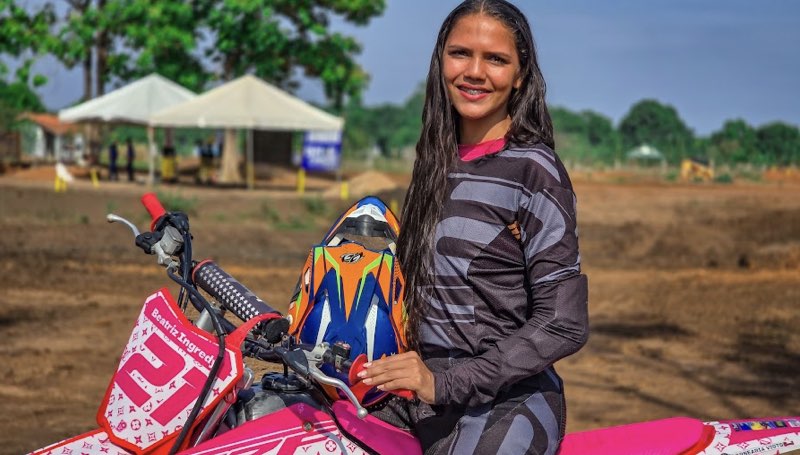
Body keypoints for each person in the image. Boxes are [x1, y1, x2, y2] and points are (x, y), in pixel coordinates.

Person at [360, 1, 589, 454]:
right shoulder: (434, 164)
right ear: (440, 59)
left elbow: (564, 323)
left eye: (497, 59)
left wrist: (446, 383)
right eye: (461, 53)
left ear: (521, 75)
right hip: (419, 396)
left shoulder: (533, 170)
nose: (475, 72)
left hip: (506, 402)